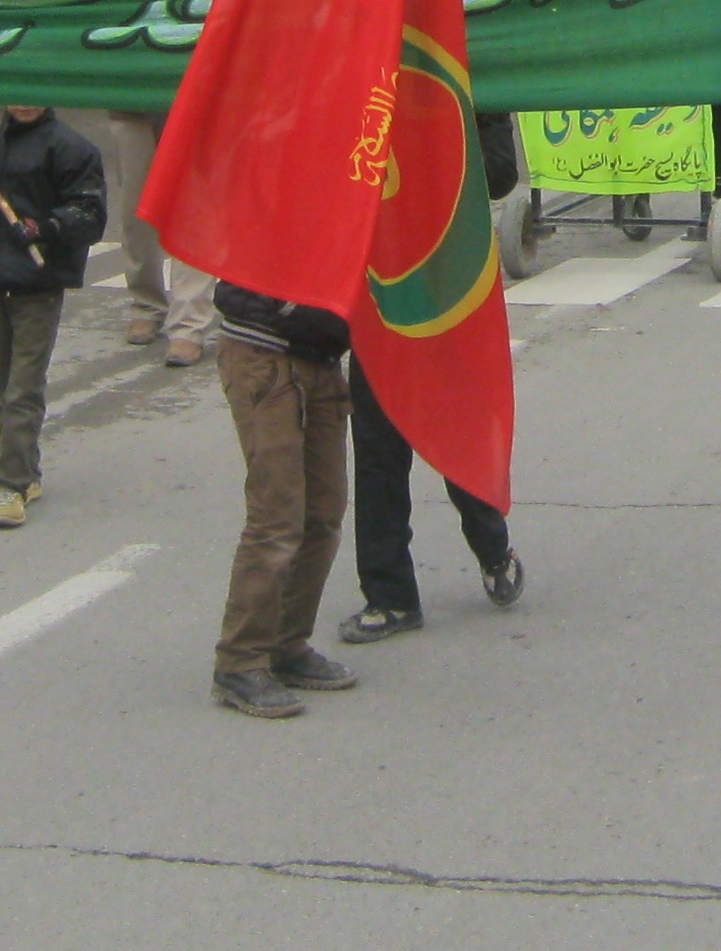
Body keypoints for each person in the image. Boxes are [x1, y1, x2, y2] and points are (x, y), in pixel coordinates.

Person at [340, 111, 527, 644]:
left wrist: (434, 160)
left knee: (458, 432)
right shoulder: (366, 85)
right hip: (380, 291)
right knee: (377, 449)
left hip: (449, 290)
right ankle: (390, 595)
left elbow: (500, 172)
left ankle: (493, 550)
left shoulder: (461, 82)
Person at [0, 104, 106, 530]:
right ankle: (27, 472)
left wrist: (45, 228)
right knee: (3, 388)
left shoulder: (71, 148)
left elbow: (90, 214)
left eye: (31, 96)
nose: (24, 104)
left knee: (22, 391)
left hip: (38, 287)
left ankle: (9, 484)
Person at [210, 279, 360, 719]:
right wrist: (290, 302)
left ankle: (286, 644)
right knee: (276, 517)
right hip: (264, 349)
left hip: (322, 352)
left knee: (323, 514)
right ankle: (240, 661)